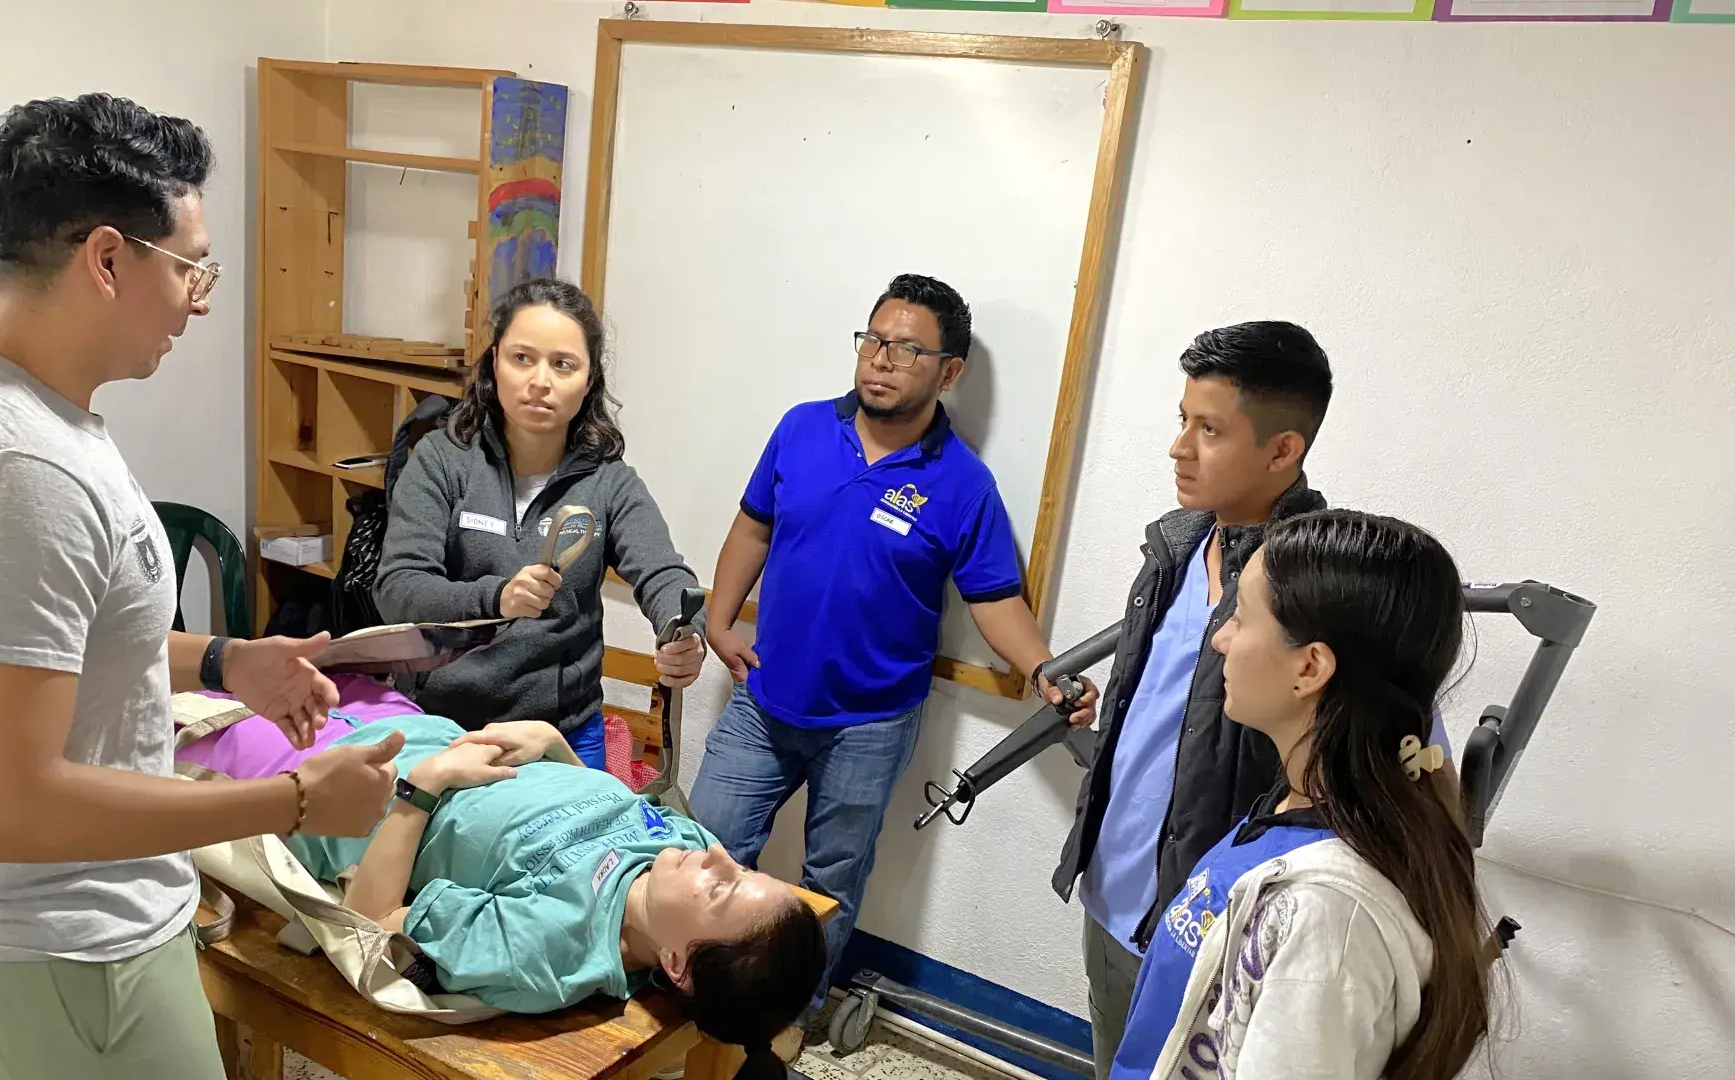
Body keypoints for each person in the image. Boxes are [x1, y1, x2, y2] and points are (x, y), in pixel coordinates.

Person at [0, 94, 404, 1080]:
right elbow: (4, 807)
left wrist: (227, 660)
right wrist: (289, 802)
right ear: (107, 260)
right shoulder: (10, 469)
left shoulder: (20, 412)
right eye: (191, 267)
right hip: (58, 953)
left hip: (59, 944)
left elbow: (46, 649)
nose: (201, 299)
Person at [691, 273, 1095, 1040]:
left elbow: (995, 599)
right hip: (764, 696)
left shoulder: (964, 484)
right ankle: (689, 1001)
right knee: (705, 851)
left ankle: (791, 1023)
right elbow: (752, 528)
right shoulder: (802, 429)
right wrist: (718, 619)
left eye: (907, 349)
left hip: (870, 724)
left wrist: (1043, 668)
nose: (880, 360)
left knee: (831, 883)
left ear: (950, 372)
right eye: (873, 340)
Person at [1051, 322, 1451, 1075]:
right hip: (1120, 892)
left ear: (1282, 450)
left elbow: (1402, 754)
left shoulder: (1322, 587)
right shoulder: (1173, 549)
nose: (1180, 447)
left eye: (1209, 429)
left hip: (1224, 918)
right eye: (1182, 420)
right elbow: (1175, 711)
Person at [196, 709, 826, 1080]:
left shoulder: (549, 946)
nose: (715, 854)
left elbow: (369, 921)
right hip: (412, 720)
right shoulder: (678, 857)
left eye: (720, 889)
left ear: (676, 964)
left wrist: (423, 787)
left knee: (165, 717)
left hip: (333, 777)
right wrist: (553, 744)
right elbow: (597, 816)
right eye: (743, 869)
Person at [1109, 509, 1490, 1080]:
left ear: (1309, 667)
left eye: (1239, 618)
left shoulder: (1326, 919)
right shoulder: (1293, 806)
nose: (1220, 640)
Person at [377, 278, 707, 772]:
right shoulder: (442, 461)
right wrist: (497, 599)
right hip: (441, 724)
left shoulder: (608, 483)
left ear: (589, 379)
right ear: (494, 364)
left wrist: (684, 632)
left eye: (563, 364)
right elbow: (398, 587)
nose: (540, 381)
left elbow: (663, 572)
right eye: (522, 358)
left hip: (560, 733)